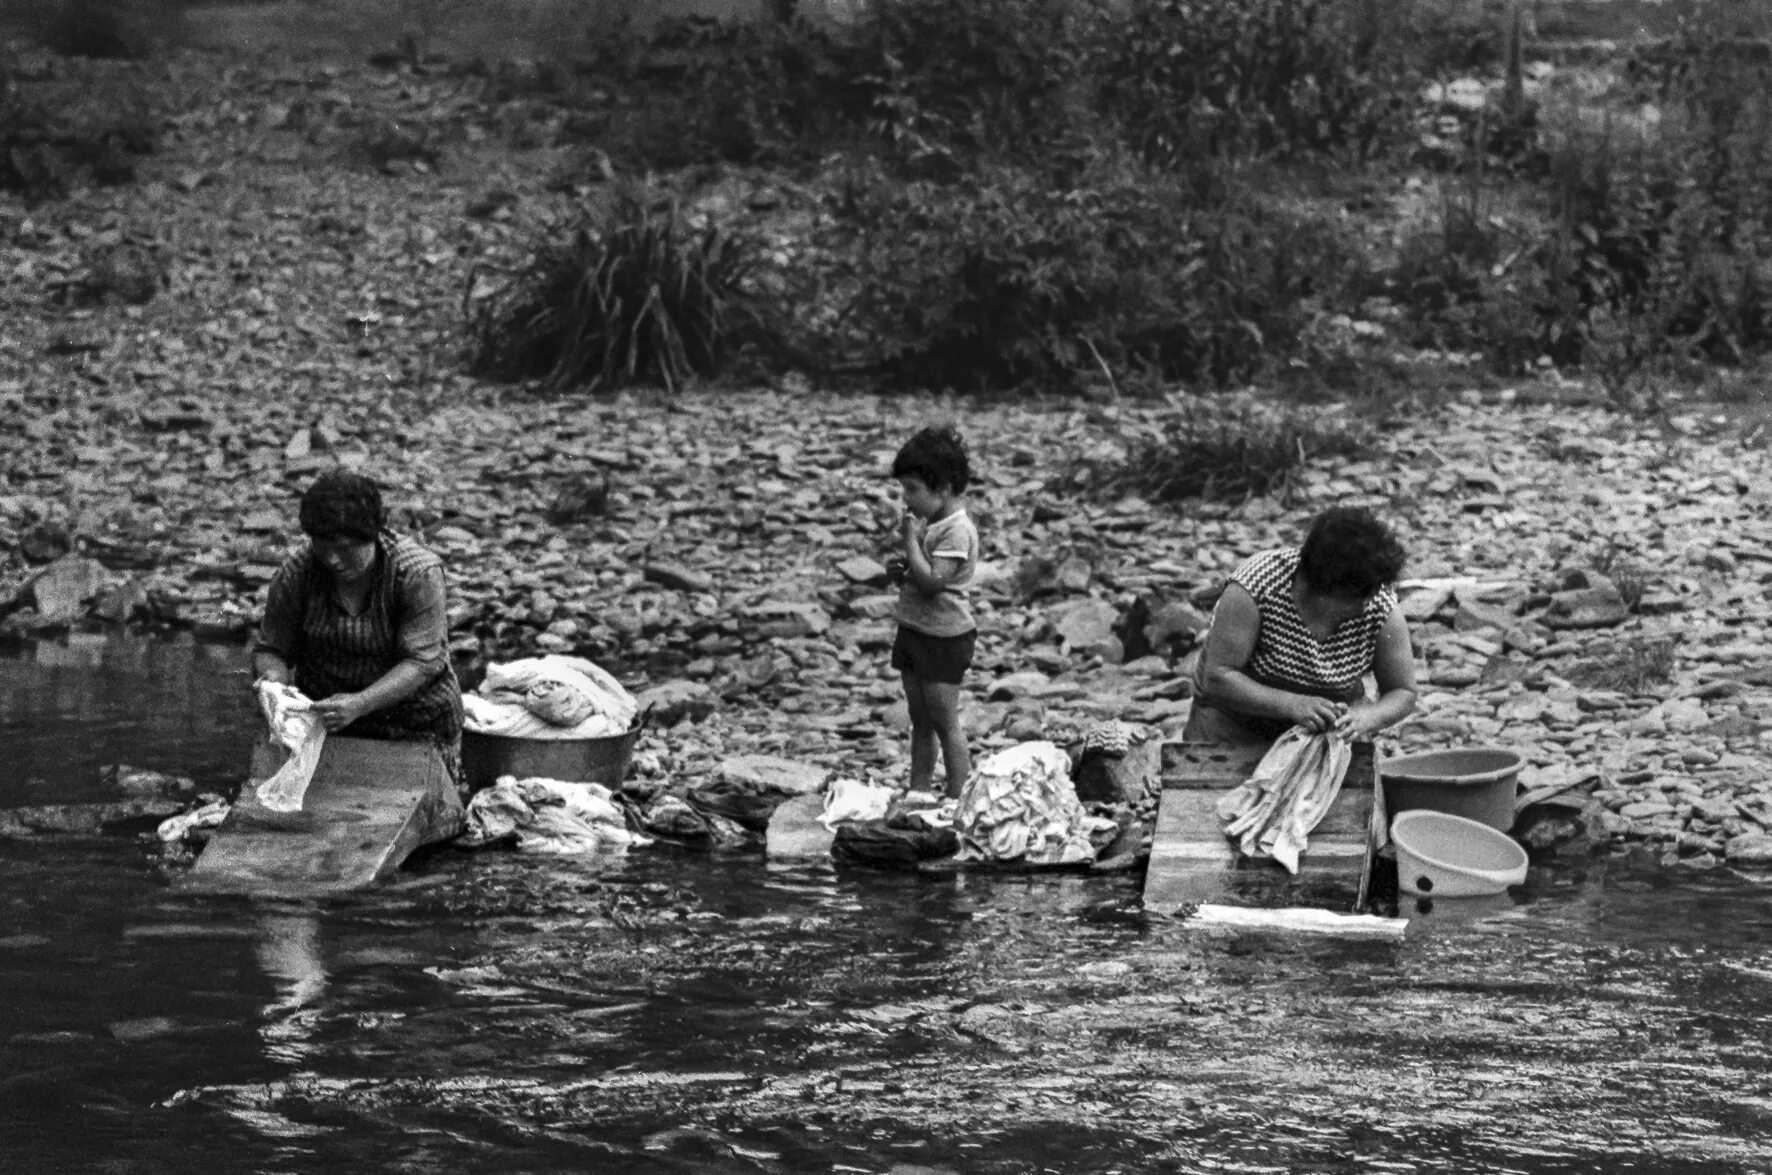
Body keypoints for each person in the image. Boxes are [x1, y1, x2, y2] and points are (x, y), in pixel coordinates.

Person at [252, 470, 466, 795]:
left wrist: (361, 702)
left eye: (346, 548)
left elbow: (422, 663)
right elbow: (273, 649)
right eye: (322, 547)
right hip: (332, 727)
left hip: (414, 725)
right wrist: (273, 686)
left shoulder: (415, 574)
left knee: (418, 821)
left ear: (373, 535)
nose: (333, 560)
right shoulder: (297, 574)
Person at [1186, 506, 1417, 747]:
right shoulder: (1256, 587)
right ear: (1322, 588)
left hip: (1324, 735)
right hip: (1233, 726)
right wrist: (1290, 704)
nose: (1364, 607)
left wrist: (1367, 718)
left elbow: (1402, 691)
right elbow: (1218, 677)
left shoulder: (1379, 605)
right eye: (1352, 600)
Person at [888, 425, 980, 798]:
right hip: (915, 629)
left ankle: (960, 796)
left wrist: (909, 542)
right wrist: (904, 570)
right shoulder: (934, 524)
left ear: (942, 488)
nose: (906, 500)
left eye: (913, 490)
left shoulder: (957, 531)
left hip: (944, 636)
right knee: (920, 719)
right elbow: (919, 574)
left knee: (945, 720)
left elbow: (933, 581)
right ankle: (919, 791)